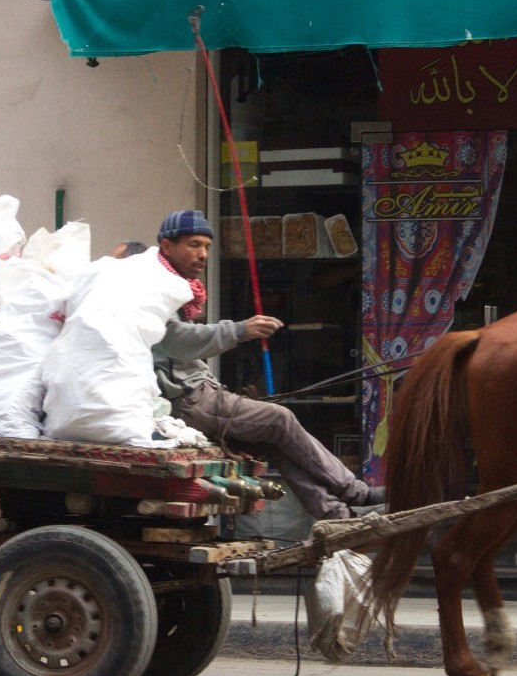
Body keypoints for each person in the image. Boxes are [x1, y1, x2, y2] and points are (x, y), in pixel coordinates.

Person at [148, 210, 383, 521]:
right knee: (281, 420)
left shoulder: (178, 288)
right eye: (194, 244)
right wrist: (240, 330)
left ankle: (337, 515)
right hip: (190, 400)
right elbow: (177, 339)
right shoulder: (154, 288)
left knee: (273, 441)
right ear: (167, 246)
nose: (203, 254)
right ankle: (357, 492)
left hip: (199, 396)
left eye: (206, 246)